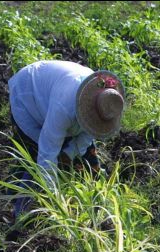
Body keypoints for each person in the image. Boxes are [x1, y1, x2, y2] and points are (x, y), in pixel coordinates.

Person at [7, 60, 125, 218]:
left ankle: (96, 212)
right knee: (34, 157)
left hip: (56, 98)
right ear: (87, 110)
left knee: (85, 161)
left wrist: (69, 154)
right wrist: (54, 199)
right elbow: (47, 152)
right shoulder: (64, 106)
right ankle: (19, 210)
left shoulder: (106, 103)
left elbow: (88, 135)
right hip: (29, 94)